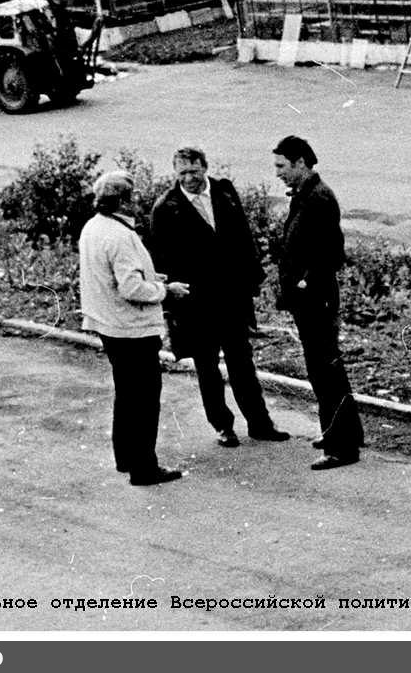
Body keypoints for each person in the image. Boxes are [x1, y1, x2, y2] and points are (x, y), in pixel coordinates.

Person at [147, 147, 290, 449]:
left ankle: (260, 423)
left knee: (242, 362)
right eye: (182, 173)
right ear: (175, 174)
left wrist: (252, 280)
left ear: (205, 169)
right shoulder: (165, 208)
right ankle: (223, 426)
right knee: (207, 367)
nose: (189, 179)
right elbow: (159, 260)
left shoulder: (224, 192)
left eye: (194, 172)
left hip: (232, 297)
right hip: (196, 303)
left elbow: (243, 237)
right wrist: (171, 298)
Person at [77, 170, 190, 486]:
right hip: (132, 328)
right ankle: (144, 468)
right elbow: (131, 288)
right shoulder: (121, 235)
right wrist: (166, 291)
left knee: (126, 393)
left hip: (109, 325)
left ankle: (126, 457)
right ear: (123, 200)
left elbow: (115, 278)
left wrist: (152, 281)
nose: (139, 200)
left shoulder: (93, 227)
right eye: (134, 195)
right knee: (143, 397)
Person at [271, 135, 365, 471]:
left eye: (282, 166)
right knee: (321, 369)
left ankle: (343, 448)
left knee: (326, 371)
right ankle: (338, 433)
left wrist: (306, 281)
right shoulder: (307, 194)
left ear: (300, 162)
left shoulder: (318, 198)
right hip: (309, 298)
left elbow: (332, 252)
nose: (278, 173)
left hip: (315, 298)